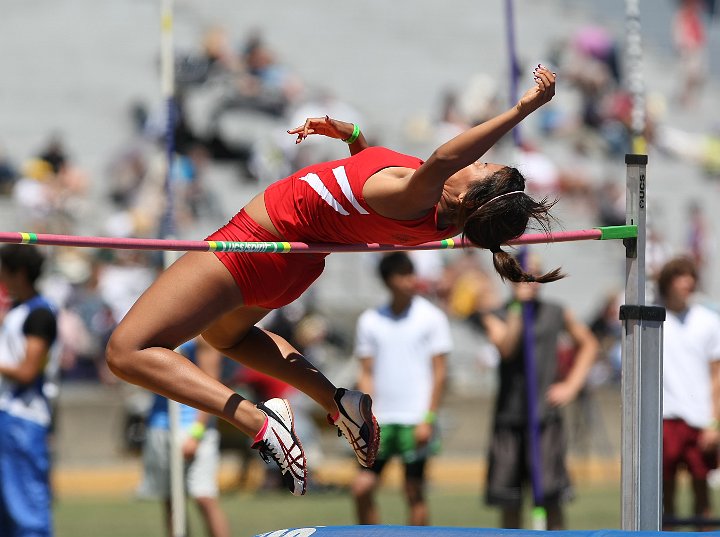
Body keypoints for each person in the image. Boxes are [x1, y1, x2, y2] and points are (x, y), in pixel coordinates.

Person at [106, 66, 561, 496]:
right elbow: (366, 189)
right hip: (295, 264)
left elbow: (445, 156)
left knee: (127, 350)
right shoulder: (430, 207)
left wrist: (523, 109)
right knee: (226, 337)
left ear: (468, 195)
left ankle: (257, 422)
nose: (477, 161)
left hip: (261, 241)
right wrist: (355, 138)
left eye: (483, 168)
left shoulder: (427, 194)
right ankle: (337, 400)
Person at [479, 254, 598, 530]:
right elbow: (507, 348)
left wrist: (571, 385)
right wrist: (518, 309)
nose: (530, 280)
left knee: (551, 497)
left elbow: (588, 344)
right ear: (511, 278)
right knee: (509, 502)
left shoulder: (556, 311)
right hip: (509, 418)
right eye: (523, 274)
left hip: (545, 418)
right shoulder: (496, 315)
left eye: (535, 274)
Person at [351, 252, 451, 525]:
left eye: (411, 273)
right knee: (361, 488)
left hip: (415, 419)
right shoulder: (369, 320)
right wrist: (366, 420)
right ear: (388, 280)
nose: (411, 280)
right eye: (403, 274)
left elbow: (440, 372)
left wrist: (428, 418)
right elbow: (366, 373)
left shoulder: (431, 317)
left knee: (413, 490)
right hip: (381, 421)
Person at [137, 337, 231, 537]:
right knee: (171, 500)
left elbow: (213, 383)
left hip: (193, 426)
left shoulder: (203, 334)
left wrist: (197, 432)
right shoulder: (155, 330)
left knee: (204, 497)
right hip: (160, 425)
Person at [0, 244, 58, 537]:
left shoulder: (40, 315)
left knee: (27, 511)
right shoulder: (17, 310)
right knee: (7, 513)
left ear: (18, 273)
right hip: (8, 416)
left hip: (23, 417)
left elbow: (27, 371)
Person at [658, 256, 720, 529]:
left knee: (702, 493)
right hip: (665, 417)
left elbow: (717, 376)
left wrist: (714, 422)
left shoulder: (707, 321)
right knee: (665, 492)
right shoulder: (652, 318)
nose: (687, 281)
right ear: (668, 281)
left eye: (690, 275)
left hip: (700, 420)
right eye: (680, 275)